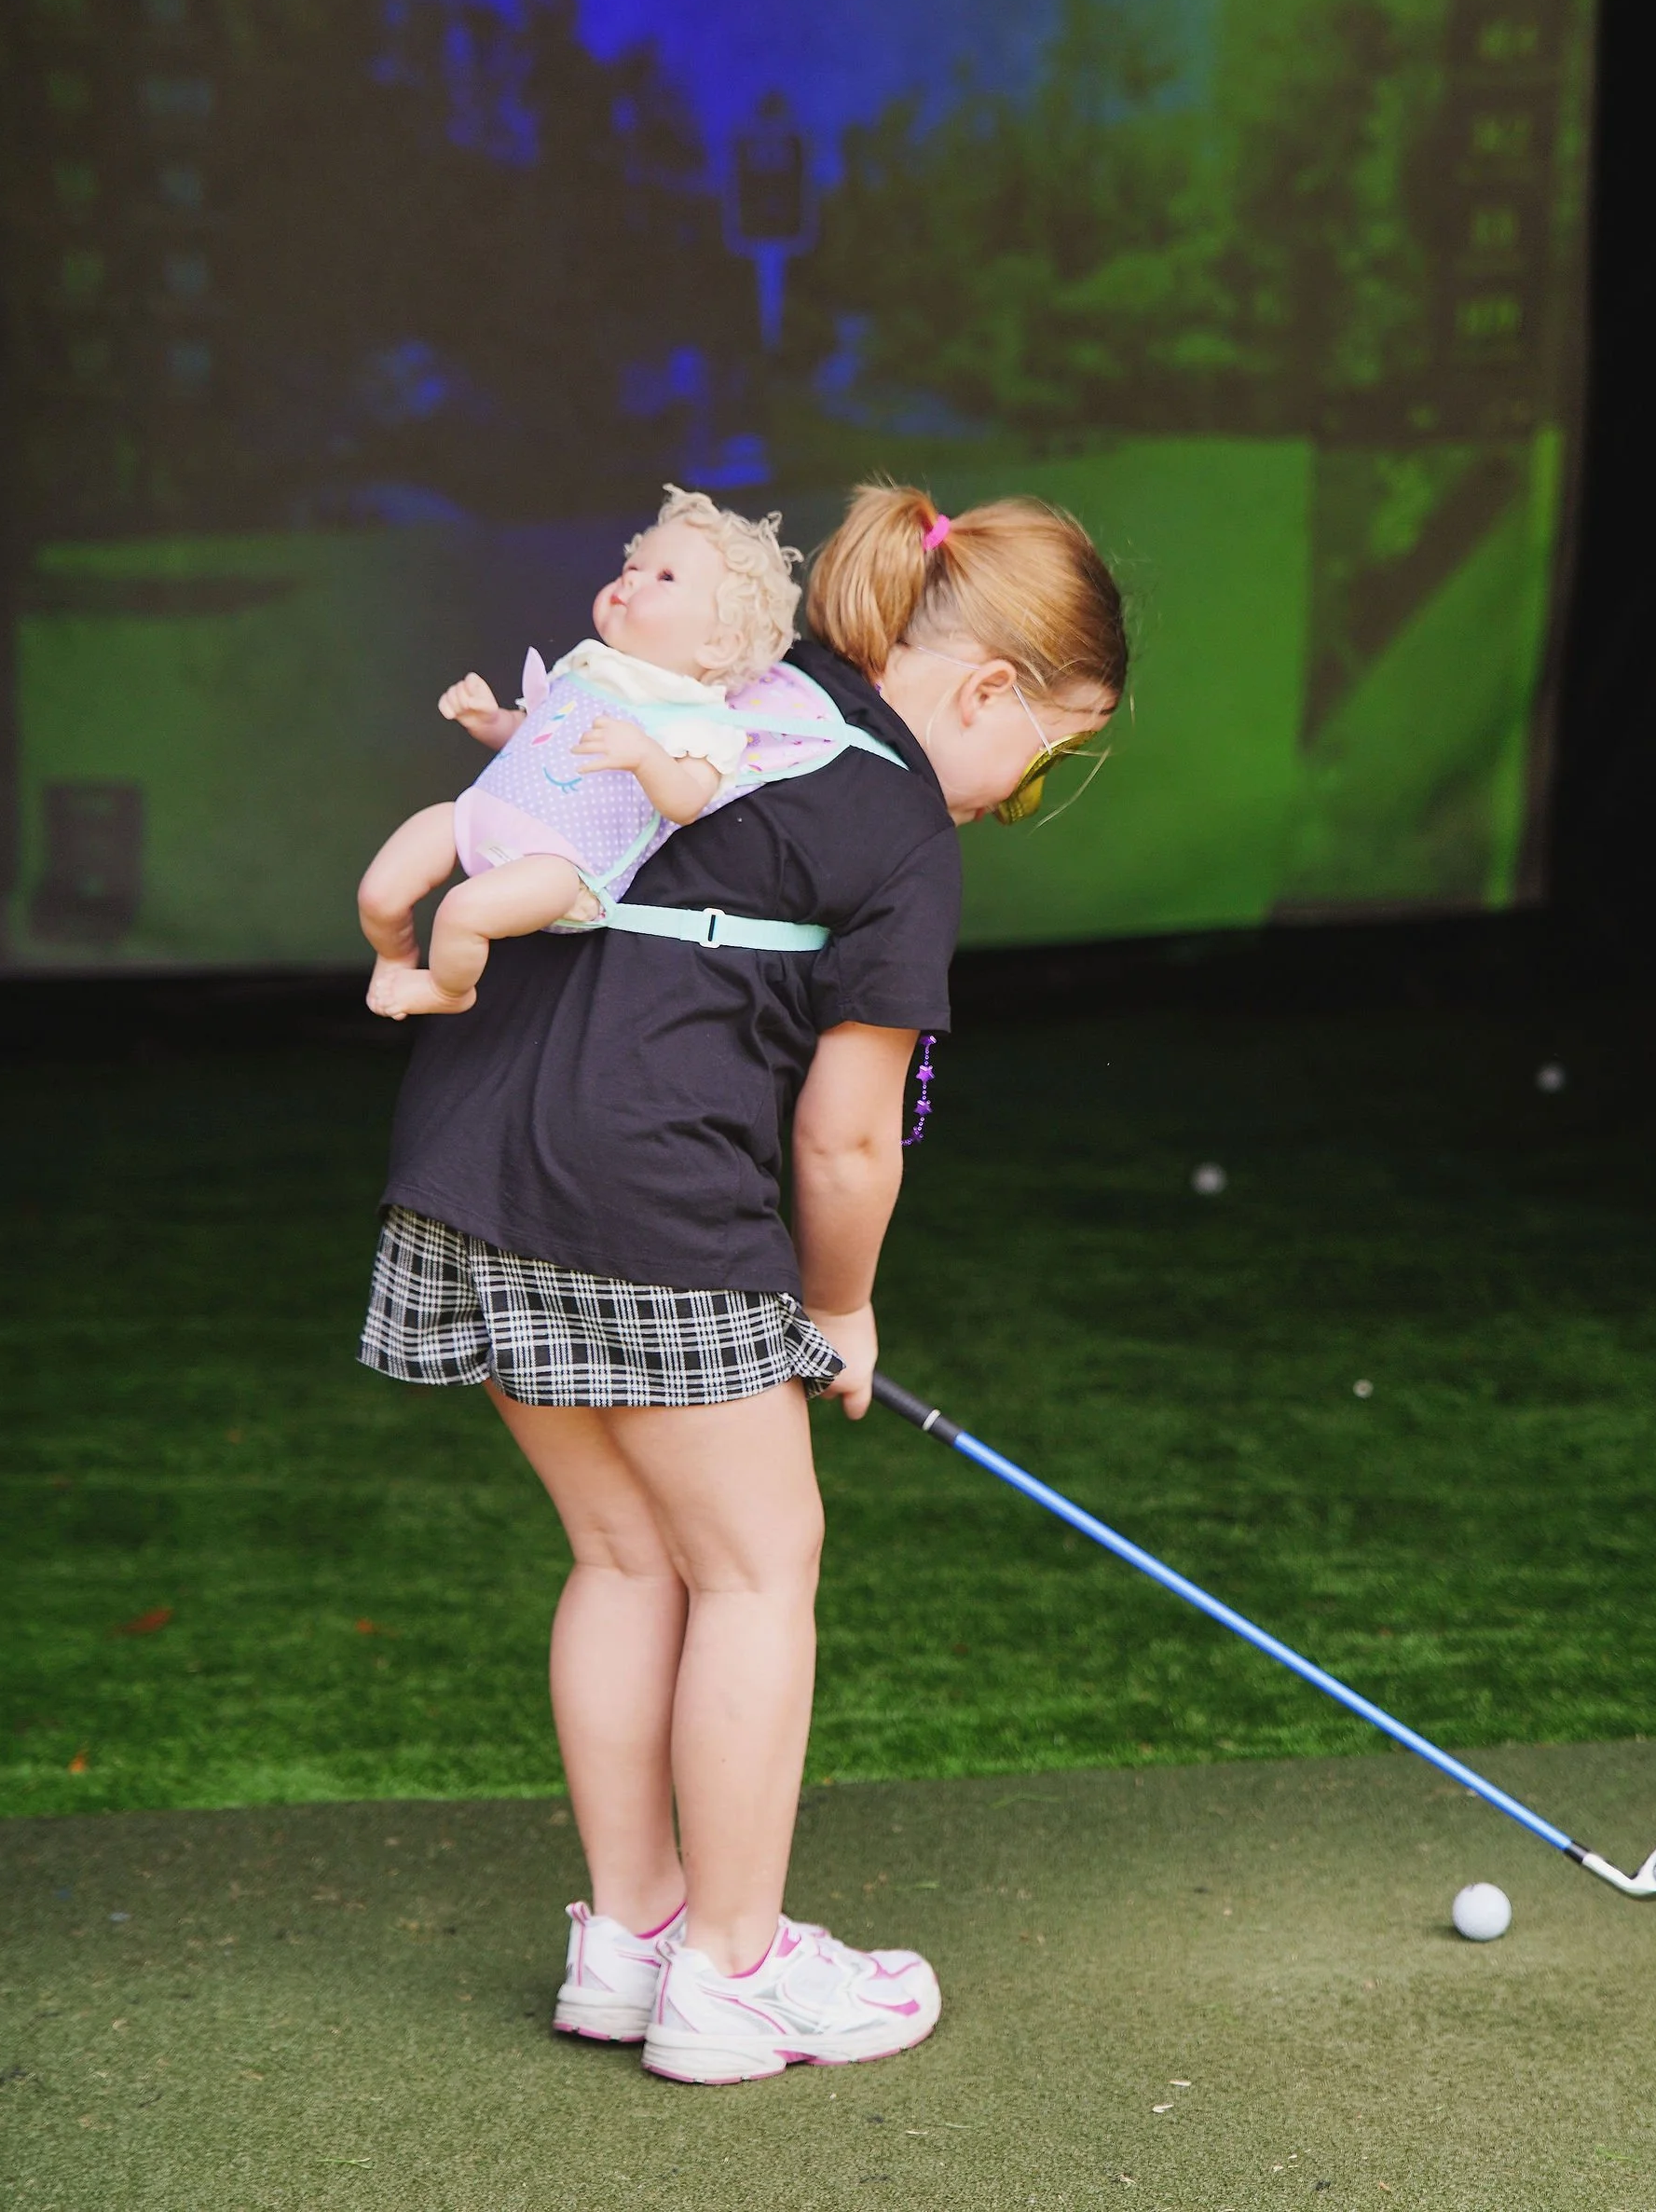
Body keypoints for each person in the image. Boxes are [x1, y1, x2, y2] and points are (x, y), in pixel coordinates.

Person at [357, 478, 1128, 2085]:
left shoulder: (733, 684)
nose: (1019, 790)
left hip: (475, 1151)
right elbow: (846, 1142)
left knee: (626, 1554)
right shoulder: (898, 821)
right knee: (761, 1561)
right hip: (650, 1189)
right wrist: (836, 1302)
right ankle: (732, 1970)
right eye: (1048, 760)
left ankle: (628, 1940)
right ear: (985, 690)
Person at [357, 487, 802, 1021]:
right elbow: (537, 738)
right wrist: (492, 721)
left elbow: (687, 800)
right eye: (632, 567)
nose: (631, 578)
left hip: (559, 872)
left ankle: (450, 990)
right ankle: (395, 950)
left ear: (719, 645)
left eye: (664, 578)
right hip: (480, 816)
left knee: (461, 913)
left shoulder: (698, 720)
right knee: (380, 893)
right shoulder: (588, 667)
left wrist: (644, 757)